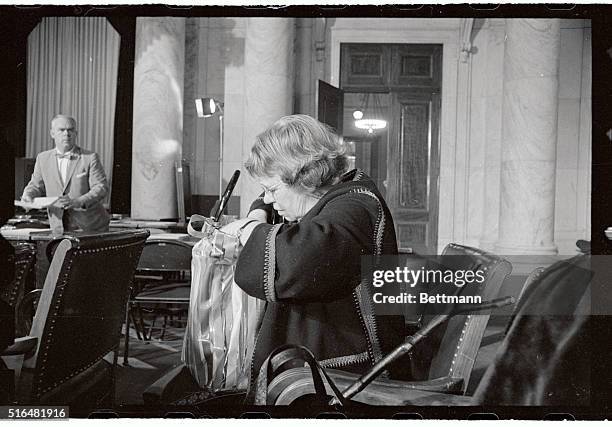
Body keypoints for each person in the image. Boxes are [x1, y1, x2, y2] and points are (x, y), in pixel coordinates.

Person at [223, 114, 406, 398]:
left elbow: (296, 261)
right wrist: (259, 212)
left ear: (305, 177)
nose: (269, 199)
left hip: (359, 368)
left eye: (272, 190)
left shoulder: (356, 208)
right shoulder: (336, 190)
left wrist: (249, 231)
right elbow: (281, 204)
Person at [21, 114, 110, 232]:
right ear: (52, 134)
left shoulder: (89, 157)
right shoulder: (43, 158)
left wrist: (78, 201)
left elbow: (101, 187)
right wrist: (28, 195)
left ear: (76, 134)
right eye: (61, 130)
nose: (66, 134)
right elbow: (35, 185)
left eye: (70, 130)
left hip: (90, 227)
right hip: (58, 226)